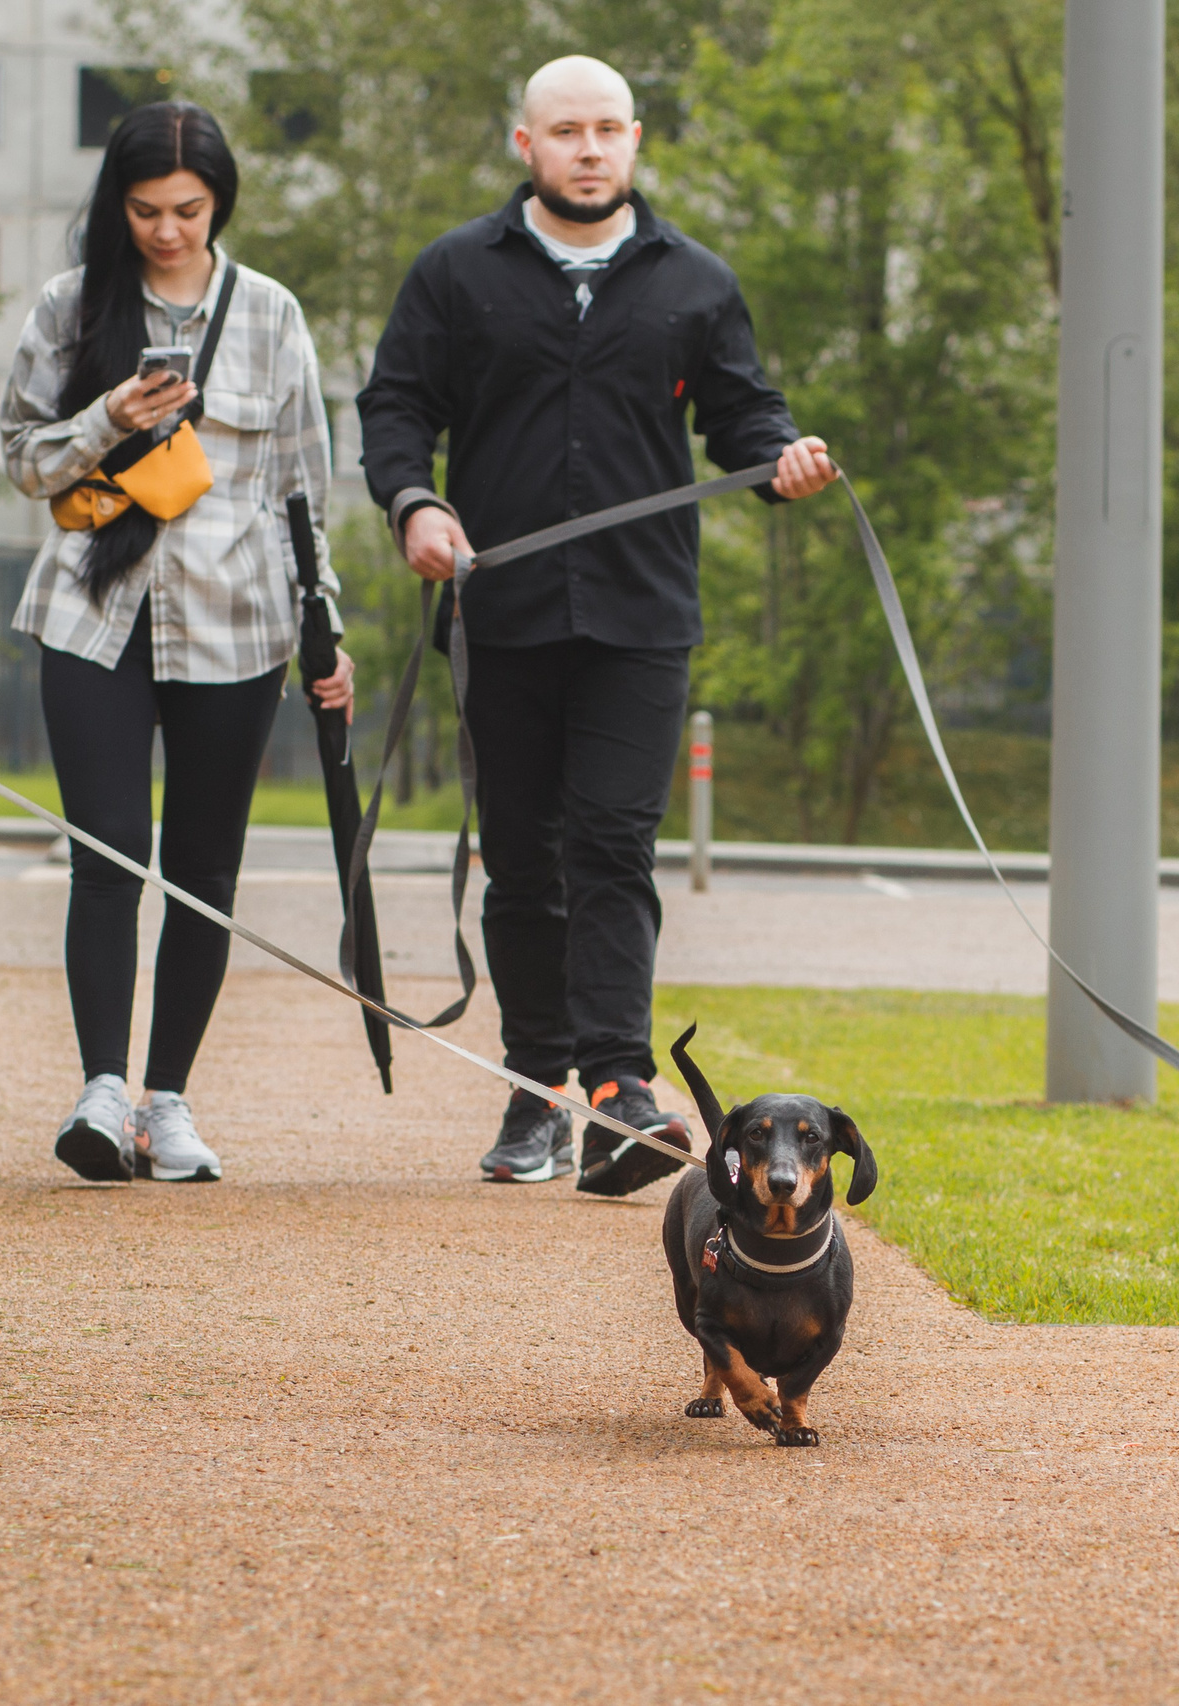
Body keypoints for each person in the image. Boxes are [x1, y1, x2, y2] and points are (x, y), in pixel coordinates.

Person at [355, 55, 838, 1192]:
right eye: (564, 129)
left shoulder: (694, 281)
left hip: (640, 616)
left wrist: (784, 459)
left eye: (607, 128)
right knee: (522, 862)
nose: (587, 147)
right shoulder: (455, 273)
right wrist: (412, 503)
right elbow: (395, 409)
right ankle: (536, 1096)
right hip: (502, 611)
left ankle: (622, 1089)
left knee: (613, 843)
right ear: (523, 144)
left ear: (634, 140)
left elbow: (741, 416)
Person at [1, 101, 353, 1184]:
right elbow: (19, 457)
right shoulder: (69, 306)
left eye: (187, 210)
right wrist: (107, 416)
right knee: (105, 855)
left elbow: (304, 487)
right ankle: (100, 1089)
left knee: (203, 870)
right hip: (91, 616)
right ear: (118, 204)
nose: (165, 230)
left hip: (238, 624)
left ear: (219, 203)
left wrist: (323, 623)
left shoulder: (271, 311)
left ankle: (169, 1099)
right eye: (145, 209)